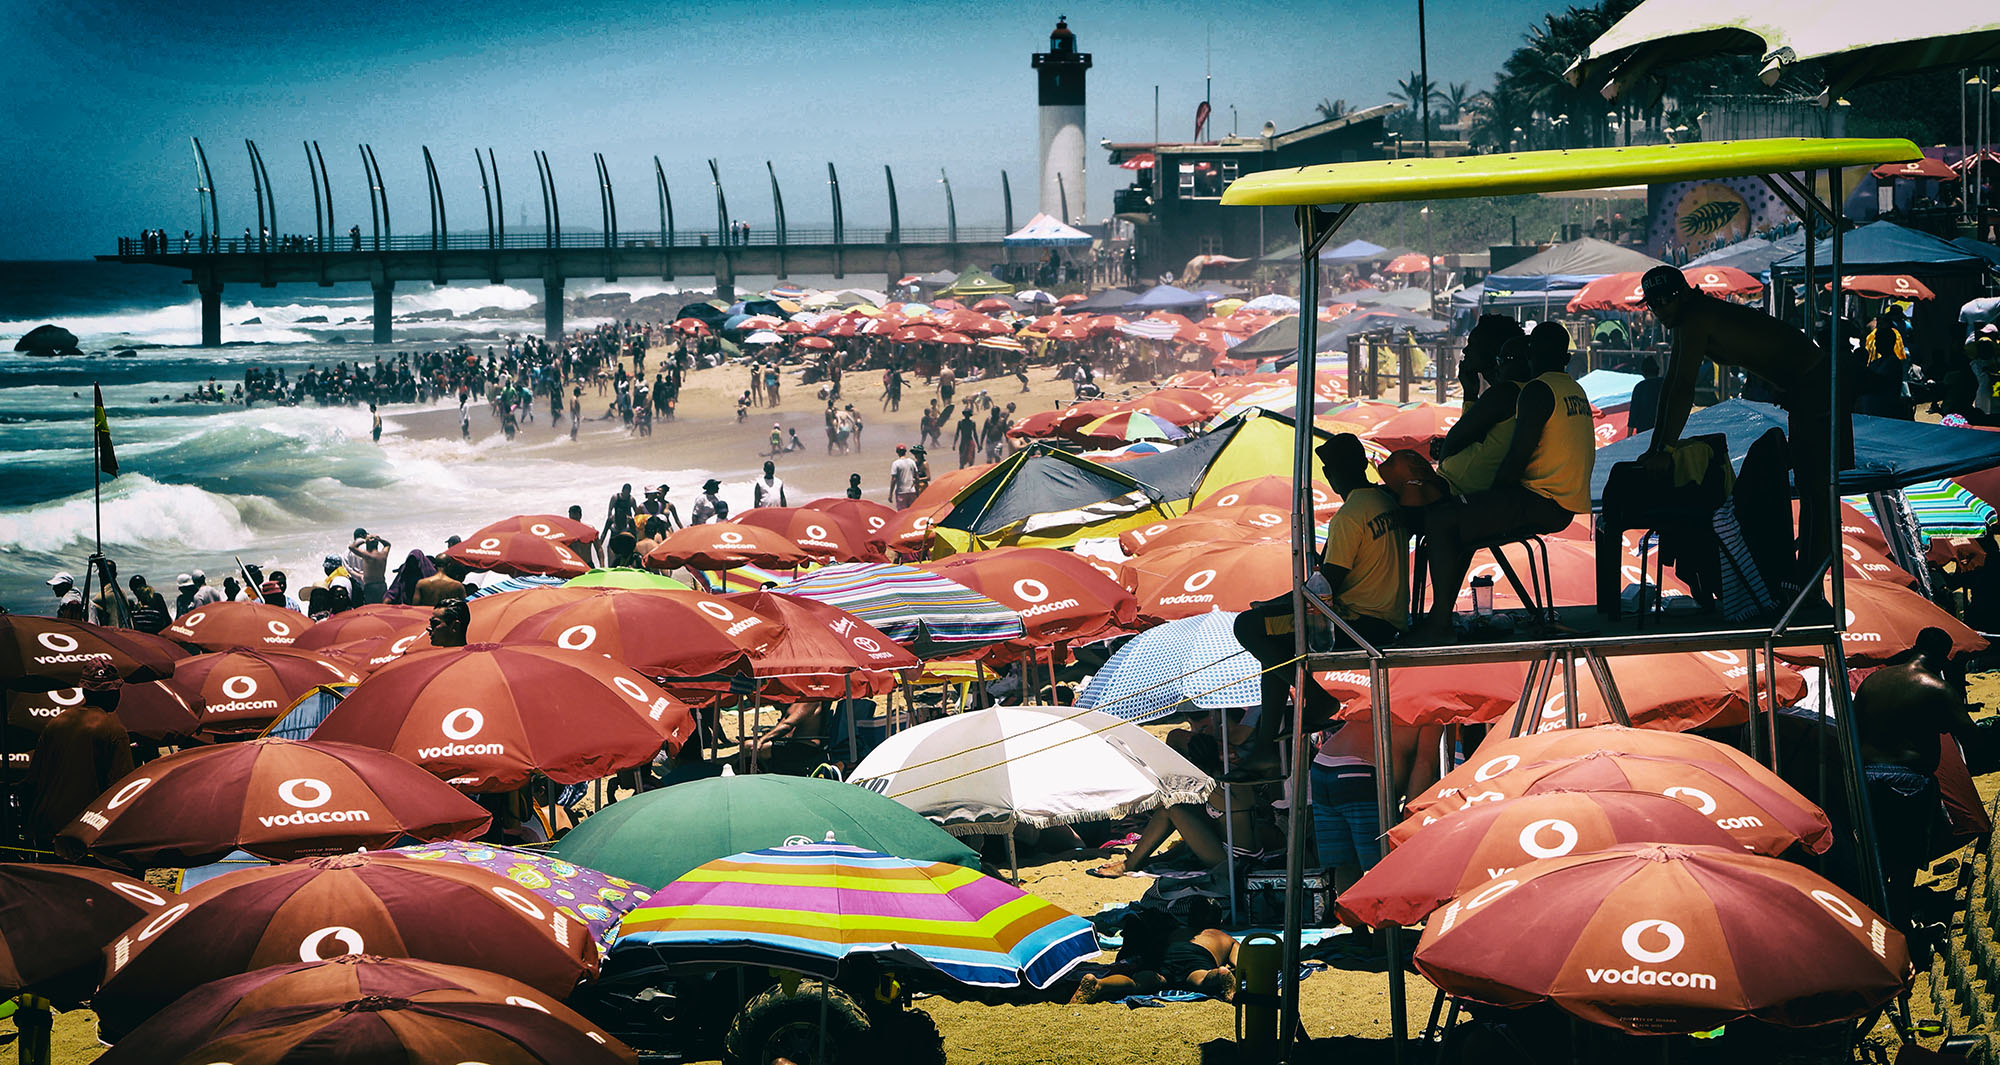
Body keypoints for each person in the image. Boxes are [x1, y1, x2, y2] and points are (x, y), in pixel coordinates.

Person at [1639, 264, 1848, 603]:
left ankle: (1811, 588)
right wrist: (1656, 448)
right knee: (1812, 490)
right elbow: (1671, 384)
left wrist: (1664, 450)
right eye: (1654, 303)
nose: (1661, 309)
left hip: (1818, 383)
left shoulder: (1696, 317)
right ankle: (1807, 582)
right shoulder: (1688, 318)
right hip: (1805, 387)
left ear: (1684, 294)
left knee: (1818, 493)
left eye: (1667, 299)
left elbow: (1683, 388)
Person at [1228, 434, 1410, 779]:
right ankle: (1264, 749)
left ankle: (1318, 700)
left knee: (1248, 626)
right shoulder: (1384, 501)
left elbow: (1325, 588)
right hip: (1388, 618)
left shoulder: (1350, 515)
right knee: (1273, 650)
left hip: (1359, 624)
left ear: (1330, 474)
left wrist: (1271, 606)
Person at [1408, 325, 1593, 642]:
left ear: (1530, 354)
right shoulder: (1575, 390)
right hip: (1562, 503)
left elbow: (1517, 456)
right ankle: (1440, 618)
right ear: (1566, 358)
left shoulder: (1537, 390)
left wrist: (1485, 504)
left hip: (1539, 499)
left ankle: (1438, 624)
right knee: (1459, 520)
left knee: (1441, 519)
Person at [1853, 628, 1977, 941]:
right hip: (1908, 782)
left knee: (1875, 859)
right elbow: (1970, 735)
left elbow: (1854, 728)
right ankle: (1900, 932)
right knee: (1904, 864)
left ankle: (1872, 929)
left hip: (1866, 778)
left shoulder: (1872, 682)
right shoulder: (1937, 688)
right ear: (1942, 658)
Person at [29, 663, 134, 851]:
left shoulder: (57, 722)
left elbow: (34, 778)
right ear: (114, 694)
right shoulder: (114, 729)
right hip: (85, 831)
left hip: (46, 827)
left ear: (84, 692)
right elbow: (121, 791)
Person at [345, 529, 392, 605]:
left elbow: (351, 547)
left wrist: (364, 540)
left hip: (371, 586)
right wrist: (379, 539)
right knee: (381, 606)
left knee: (371, 608)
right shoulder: (383, 554)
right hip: (382, 585)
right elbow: (388, 545)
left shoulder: (367, 555)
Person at [1626, 356, 1662, 437]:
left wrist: (1629, 437)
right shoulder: (1665, 384)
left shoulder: (1639, 387)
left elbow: (1633, 415)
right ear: (1657, 371)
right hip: (1663, 430)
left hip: (1644, 431)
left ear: (1643, 372)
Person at [889, 444, 920, 509]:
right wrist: (917, 491)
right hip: (912, 491)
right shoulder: (912, 462)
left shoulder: (896, 463)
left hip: (901, 492)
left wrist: (890, 494)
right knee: (912, 511)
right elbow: (917, 478)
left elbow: (894, 479)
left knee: (902, 512)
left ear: (897, 452)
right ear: (905, 451)